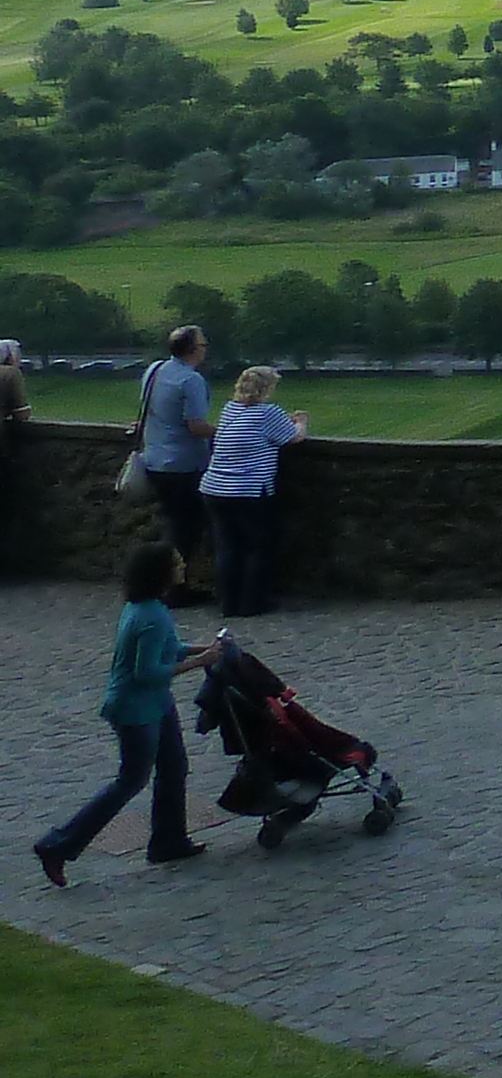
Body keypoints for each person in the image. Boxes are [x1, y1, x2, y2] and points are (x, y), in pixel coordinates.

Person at [33, 543, 214, 885]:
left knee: (174, 768)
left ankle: (169, 840)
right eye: (176, 562)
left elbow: (168, 649)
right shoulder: (152, 616)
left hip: (155, 705)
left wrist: (205, 647)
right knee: (131, 780)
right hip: (136, 710)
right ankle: (58, 844)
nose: (182, 566)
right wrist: (199, 662)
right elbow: (146, 672)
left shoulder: (147, 608)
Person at [199, 368, 308, 617]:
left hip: (215, 488)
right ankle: (252, 603)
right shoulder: (268, 412)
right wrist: (301, 421)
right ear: (266, 389)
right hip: (248, 491)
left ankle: (229, 603)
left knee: (227, 547)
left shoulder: (230, 409)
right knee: (260, 547)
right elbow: (294, 438)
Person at [135, 326, 218, 604]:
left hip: (154, 458)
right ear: (194, 349)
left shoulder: (155, 370)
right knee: (187, 528)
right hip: (183, 464)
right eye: (203, 344)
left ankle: (162, 585)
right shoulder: (191, 380)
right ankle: (172, 587)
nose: (205, 349)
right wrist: (225, 430)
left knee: (173, 522)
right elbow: (195, 426)